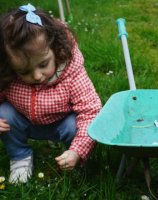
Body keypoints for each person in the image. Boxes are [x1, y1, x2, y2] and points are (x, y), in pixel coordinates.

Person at [0, 3, 102, 184]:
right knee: (4, 114)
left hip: (61, 124)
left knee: (75, 126)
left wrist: (78, 150)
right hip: (23, 121)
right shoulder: (8, 73)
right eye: (24, 72)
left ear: (55, 48)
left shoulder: (72, 74)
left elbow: (91, 112)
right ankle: (20, 157)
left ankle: (72, 159)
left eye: (43, 64)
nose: (37, 76)